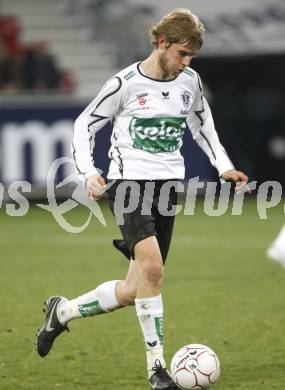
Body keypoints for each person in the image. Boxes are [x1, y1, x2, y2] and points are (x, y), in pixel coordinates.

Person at [35, 8, 248, 389]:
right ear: (161, 42)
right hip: (129, 183)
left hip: (168, 188)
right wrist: (87, 171)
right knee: (153, 270)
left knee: (136, 289)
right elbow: (86, 122)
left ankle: (62, 311)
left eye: (192, 57)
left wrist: (224, 165)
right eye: (182, 53)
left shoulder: (190, 83)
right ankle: (156, 369)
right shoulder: (125, 84)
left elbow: (204, 126)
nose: (187, 63)